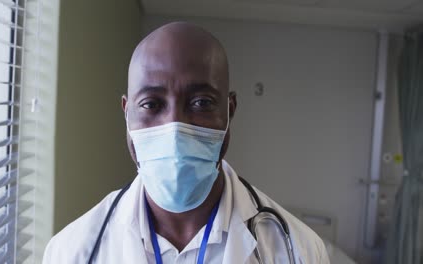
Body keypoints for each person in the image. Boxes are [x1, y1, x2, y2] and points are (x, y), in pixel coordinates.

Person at [43, 22, 330, 264]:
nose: (175, 129)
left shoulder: (300, 251)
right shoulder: (71, 252)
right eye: (151, 104)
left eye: (201, 102)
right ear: (127, 113)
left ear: (229, 111)